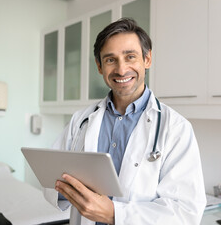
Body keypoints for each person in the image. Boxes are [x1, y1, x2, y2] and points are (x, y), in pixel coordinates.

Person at [43, 18, 206, 225]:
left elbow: (185, 212)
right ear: (99, 66)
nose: (121, 70)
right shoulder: (81, 120)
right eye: (110, 60)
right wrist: (65, 190)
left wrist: (114, 214)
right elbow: (51, 179)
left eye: (130, 57)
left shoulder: (175, 128)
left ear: (147, 59)